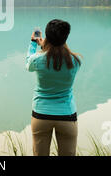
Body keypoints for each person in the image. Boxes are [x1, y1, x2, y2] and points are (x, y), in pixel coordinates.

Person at [25, 19, 82, 156]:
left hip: (41, 115)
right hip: (67, 115)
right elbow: (58, 54)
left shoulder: (37, 60)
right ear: (65, 37)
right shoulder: (75, 61)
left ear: (47, 37)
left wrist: (34, 43)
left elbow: (28, 63)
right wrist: (47, 45)